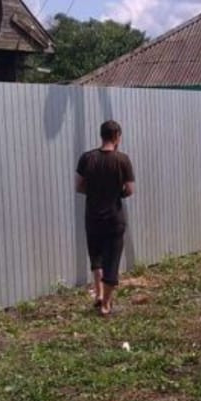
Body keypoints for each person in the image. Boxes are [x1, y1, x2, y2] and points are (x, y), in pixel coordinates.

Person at [76, 120, 135, 317]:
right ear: (117, 136)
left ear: (101, 135)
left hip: (92, 217)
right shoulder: (122, 160)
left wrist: (95, 193)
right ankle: (106, 305)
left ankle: (99, 295)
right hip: (113, 218)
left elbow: (79, 186)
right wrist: (116, 193)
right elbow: (129, 189)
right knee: (112, 260)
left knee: (96, 257)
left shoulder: (87, 158)